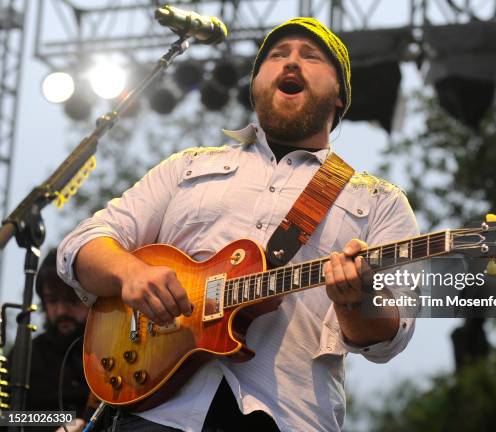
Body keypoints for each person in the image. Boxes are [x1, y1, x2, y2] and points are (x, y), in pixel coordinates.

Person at [57, 17, 419, 432]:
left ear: (340, 95)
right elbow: (80, 245)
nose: (292, 62)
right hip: (154, 411)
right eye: (278, 55)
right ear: (254, 87)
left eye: (311, 56)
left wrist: (354, 301)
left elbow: (391, 337)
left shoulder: (378, 201)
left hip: (286, 417)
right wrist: (130, 274)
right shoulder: (189, 165)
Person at [8, 249, 90, 432]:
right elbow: (6, 417)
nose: (61, 311)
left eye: (72, 299)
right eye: (53, 300)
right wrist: (65, 421)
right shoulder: (28, 354)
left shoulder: (109, 350)